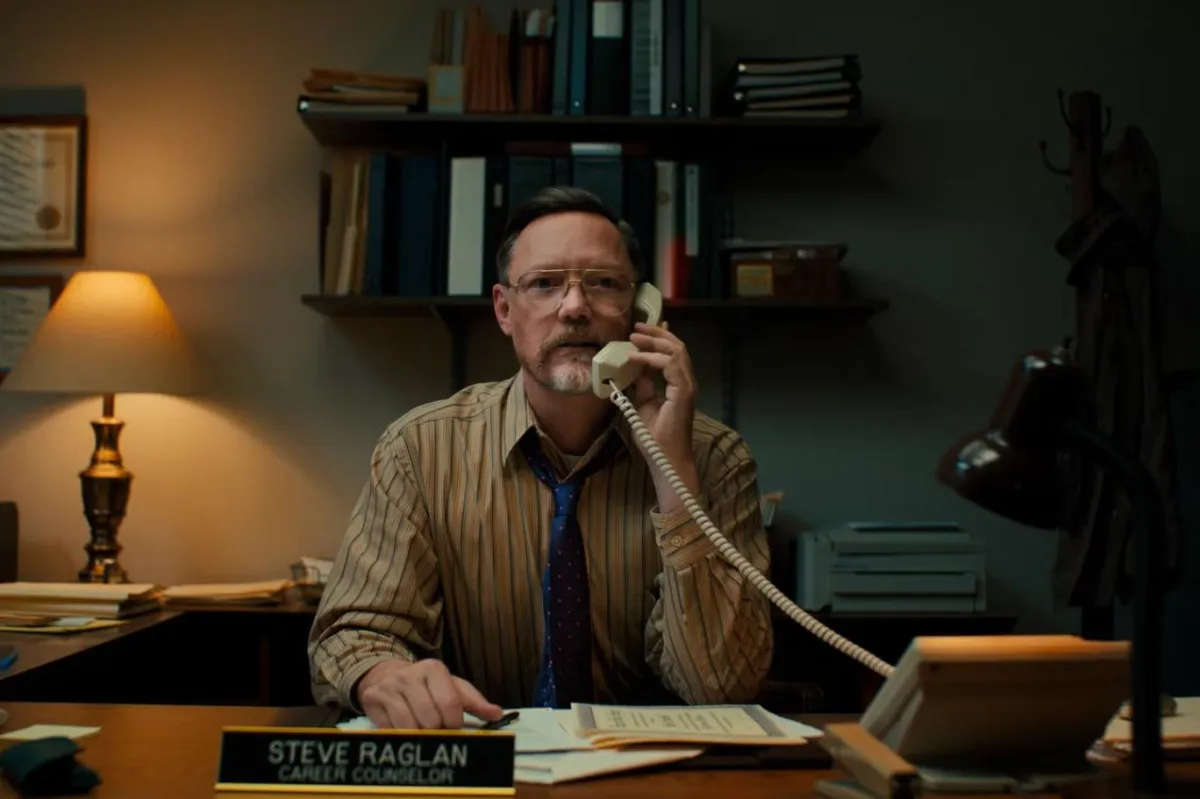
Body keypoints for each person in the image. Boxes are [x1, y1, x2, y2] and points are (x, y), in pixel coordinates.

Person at [308, 186, 774, 730]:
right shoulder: (420, 448)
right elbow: (354, 631)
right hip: (488, 752)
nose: (574, 308)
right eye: (544, 284)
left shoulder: (715, 458)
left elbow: (720, 685)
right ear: (504, 310)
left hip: (654, 763)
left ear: (641, 309)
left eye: (603, 283)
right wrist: (384, 675)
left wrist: (674, 476)